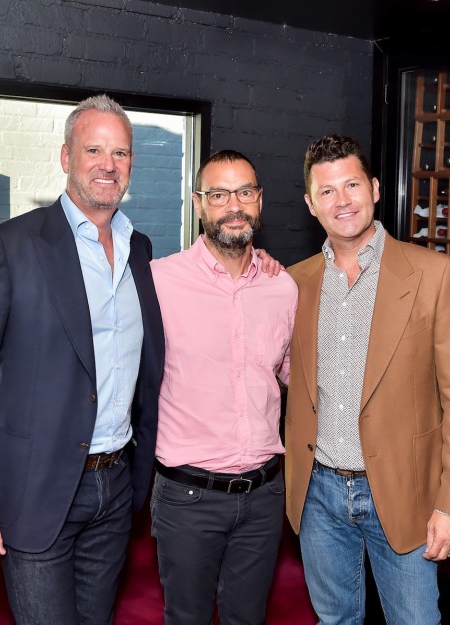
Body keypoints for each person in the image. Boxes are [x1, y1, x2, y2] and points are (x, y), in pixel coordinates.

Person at [0, 94, 164, 625]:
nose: (108, 165)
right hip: (36, 490)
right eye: (94, 149)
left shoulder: (142, 251)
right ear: (66, 157)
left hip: (116, 488)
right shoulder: (9, 246)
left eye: (121, 153)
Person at [285, 134, 450, 624]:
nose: (343, 200)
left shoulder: (436, 275)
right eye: (327, 191)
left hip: (404, 494)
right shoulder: (292, 284)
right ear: (311, 205)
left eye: (352, 184)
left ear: (375, 188)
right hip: (319, 496)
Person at [150, 150, 298, 625]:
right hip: (187, 498)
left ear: (260, 200)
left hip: (263, 497)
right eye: (218, 194)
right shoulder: (159, 281)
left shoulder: (283, 288)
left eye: (245, 192)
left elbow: (295, 375)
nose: (233, 205)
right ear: (198, 204)